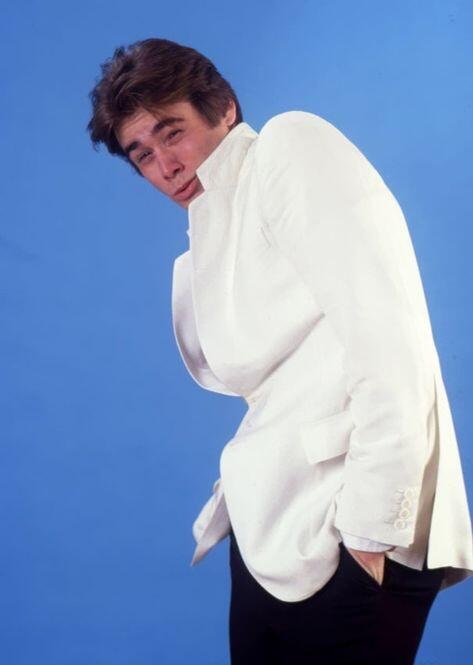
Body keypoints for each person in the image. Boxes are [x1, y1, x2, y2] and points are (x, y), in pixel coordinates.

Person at [87, 38, 473, 664]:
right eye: (143, 154)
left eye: (172, 132)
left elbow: (391, 347)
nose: (166, 166)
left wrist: (368, 538)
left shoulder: (289, 147)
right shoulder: (211, 235)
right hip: (272, 531)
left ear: (225, 108)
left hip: (352, 532)